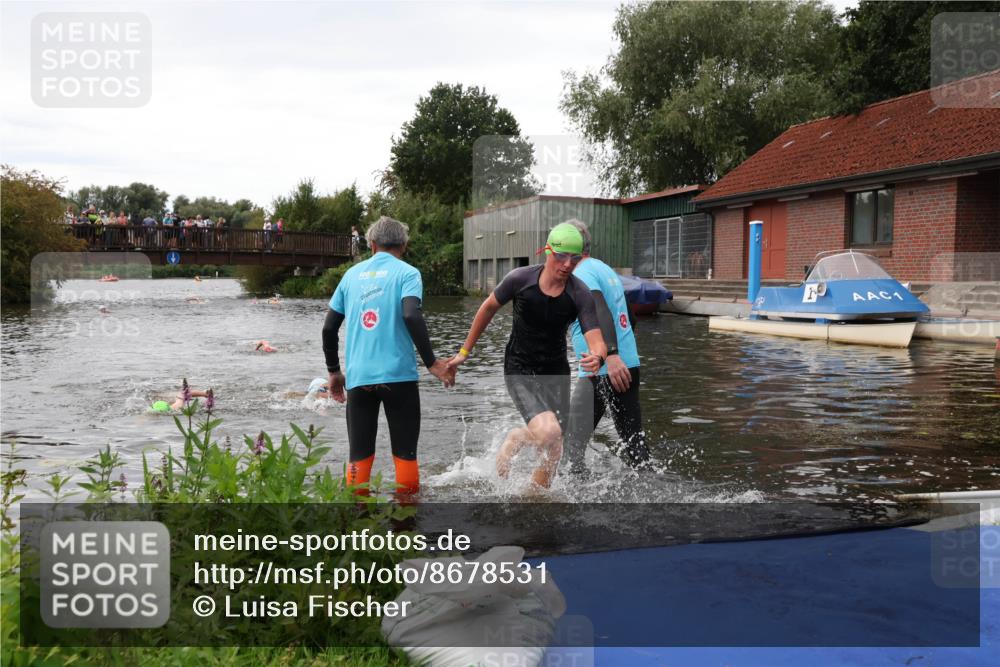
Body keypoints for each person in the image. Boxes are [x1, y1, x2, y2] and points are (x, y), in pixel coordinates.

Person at [448, 223, 607, 488]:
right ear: (546, 251)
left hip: (556, 370)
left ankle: (534, 499)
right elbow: (487, 309)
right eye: (561, 256)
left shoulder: (579, 293)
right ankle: (517, 438)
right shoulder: (520, 280)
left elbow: (597, 341)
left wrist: (598, 357)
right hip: (519, 367)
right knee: (549, 431)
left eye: (574, 258)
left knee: (555, 446)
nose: (567, 265)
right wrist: (464, 352)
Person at [322, 215, 455, 498]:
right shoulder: (408, 274)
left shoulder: (350, 275)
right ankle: (405, 527)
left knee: (358, 455)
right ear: (403, 246)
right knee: (405, 455)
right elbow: (410, 314)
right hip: (399, 379)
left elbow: (329, 327)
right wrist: (432, 363)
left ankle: (358, 525)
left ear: (371, 245)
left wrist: (334, 372)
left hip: (359, 379)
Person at [562, 219, 650, 474]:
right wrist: (620, 355)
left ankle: (572, 502)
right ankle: (652, 492)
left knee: (571, 446)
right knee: (634, 444)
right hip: (626, 365)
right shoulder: (603, 268)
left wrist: (610, 356)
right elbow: (630, 318)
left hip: (602, 369)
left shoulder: (581, 273)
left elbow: (598, 308)